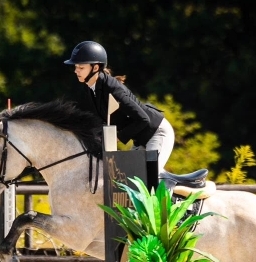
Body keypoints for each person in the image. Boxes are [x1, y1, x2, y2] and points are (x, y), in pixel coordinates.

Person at [64, 41, 174, 174]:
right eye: (76, 67)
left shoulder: (112, 88)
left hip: (157, 132)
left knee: (150, 176)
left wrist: (117, 137)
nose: (76, 71)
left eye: (81, 68)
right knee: (131, 178)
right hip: (141, 138)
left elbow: (143, 119)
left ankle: (185, 189)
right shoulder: (92, 87)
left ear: (95, 68)